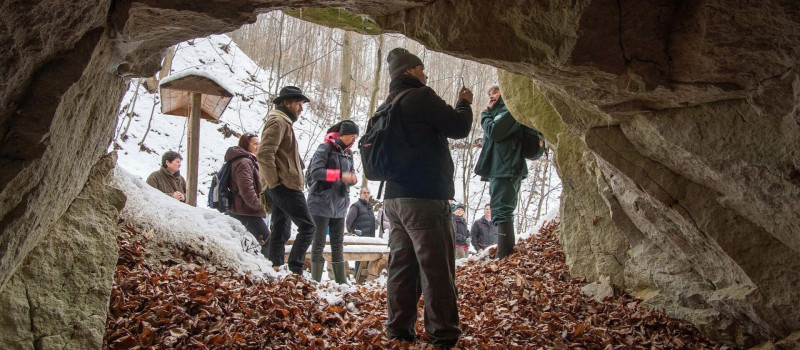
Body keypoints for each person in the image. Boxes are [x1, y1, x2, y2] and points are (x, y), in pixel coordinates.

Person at [380, 47, 473, 347]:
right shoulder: (420, 96)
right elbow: (458, 127)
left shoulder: (387, 104)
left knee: (402, 269)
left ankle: (398, 331)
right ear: (409, 71)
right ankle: (443, 335)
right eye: (421, 68)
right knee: (437, 271)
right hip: (423, 201)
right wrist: (464, 103)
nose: (426, 73)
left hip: (394, 201)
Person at [474, 85, 542, 259]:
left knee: (503, 211)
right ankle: (504, 254)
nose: (491, 96)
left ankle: (505, 256)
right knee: (499, 211)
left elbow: (494, 131)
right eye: (489, 94)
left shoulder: (510, 110)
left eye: (495, 93)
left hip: (507, 168)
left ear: (505, 93)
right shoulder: (498, 112)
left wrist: (485, 113)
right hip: (500, 169)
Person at [257, 86, 316, 274]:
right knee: (308, 227)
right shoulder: (278, 121)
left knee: (281, 229)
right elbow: (265, 153)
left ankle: (274, 268)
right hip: (285, 185)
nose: (301, 108)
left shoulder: (282, 121)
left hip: (281, 184)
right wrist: (275, 184)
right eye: (298, 103)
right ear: (286, 103)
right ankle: (295, 270)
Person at [306, 120, 359, 283]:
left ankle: (341, 281)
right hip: (321, 202)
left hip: (340, 204)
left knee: (338, 244)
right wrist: (339, 175)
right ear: (343, 135)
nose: (354, 140)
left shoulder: (348, 153)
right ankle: (315, 280)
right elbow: (316, 172)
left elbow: (350, 173)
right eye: (353, 136)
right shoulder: (325, 148)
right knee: (319, 243)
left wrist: (352, 179)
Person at [226, 133, 270, 256]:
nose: (258, 146)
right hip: (246, 211)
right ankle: (268, 270)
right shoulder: (244, 162)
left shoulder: (248, 160)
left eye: (259, 144)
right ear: (246, 144)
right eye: (255, 144)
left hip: (245, 209)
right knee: (267, 242)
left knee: (258, 243)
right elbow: (246, 189)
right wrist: (260, 205)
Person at [347, 186, 375, 274]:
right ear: (360, 194)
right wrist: (354, 233)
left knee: (367, 259)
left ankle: (364, 278)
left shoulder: (370, 207)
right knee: (359, 258)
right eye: (364, 193)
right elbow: (348, 221)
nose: (366, 195)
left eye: (368, 193)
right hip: (360, 238)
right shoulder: (356, 206)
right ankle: (357, 277)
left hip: (369, 238)